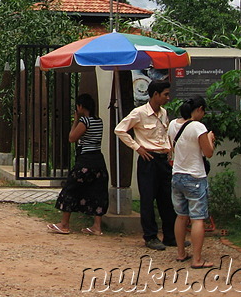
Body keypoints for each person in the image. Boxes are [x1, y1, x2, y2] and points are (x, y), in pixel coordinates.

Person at [114, 79, 178, 250]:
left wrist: (170, 152)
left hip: (163, 160)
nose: (168, 98)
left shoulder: (164, 113)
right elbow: (120, 129)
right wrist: (137, 147)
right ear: (155, 94)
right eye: (165, 94)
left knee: (166, 198)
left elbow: (164, 135)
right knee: (148, 199)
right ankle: (150, 236)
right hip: (148, 160)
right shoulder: (139, 113)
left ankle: (170, 236)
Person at [47, 93, 109, 235]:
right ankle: (97, 226)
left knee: (71, 189)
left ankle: (64, 224)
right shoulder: (99, 121)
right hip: (98, 160)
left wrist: (75, 121)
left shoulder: (85, 122)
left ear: (80, 107)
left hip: (85, 161)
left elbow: (72, 138)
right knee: (97, 191)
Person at [168, 96, 215, 268]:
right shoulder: (198, 127)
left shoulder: (173, 124)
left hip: (177, 175)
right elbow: (208, 152)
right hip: (195, 176)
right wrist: (210, 139)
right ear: (199, 109)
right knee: (197, 219)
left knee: (181, 216)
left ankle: (181, 253)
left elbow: (171, 149)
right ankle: (197, 259)